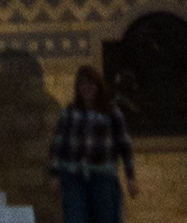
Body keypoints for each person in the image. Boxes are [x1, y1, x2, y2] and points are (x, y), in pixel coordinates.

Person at [49, 65, 135, 223]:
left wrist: (130, 177)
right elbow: (57, 144)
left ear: (98, 86)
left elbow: (125, 145)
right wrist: (54, 175)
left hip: (103, 177)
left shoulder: (112, 112)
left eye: (91, 84)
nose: (87, 88)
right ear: (78, 87)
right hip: (74, 177)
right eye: (82, 84)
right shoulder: (69, 112)